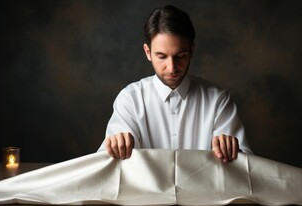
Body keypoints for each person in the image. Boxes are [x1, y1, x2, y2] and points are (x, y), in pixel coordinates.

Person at [98, 5, 252, 162]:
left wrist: (233, 150)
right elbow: (106, 164)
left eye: (180, 56)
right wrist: (115, 145)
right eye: (162, 56)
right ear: (147, 52)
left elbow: (246, 166)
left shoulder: (218, 100)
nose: (171, 68)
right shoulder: (130, 100)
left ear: (191, 51)